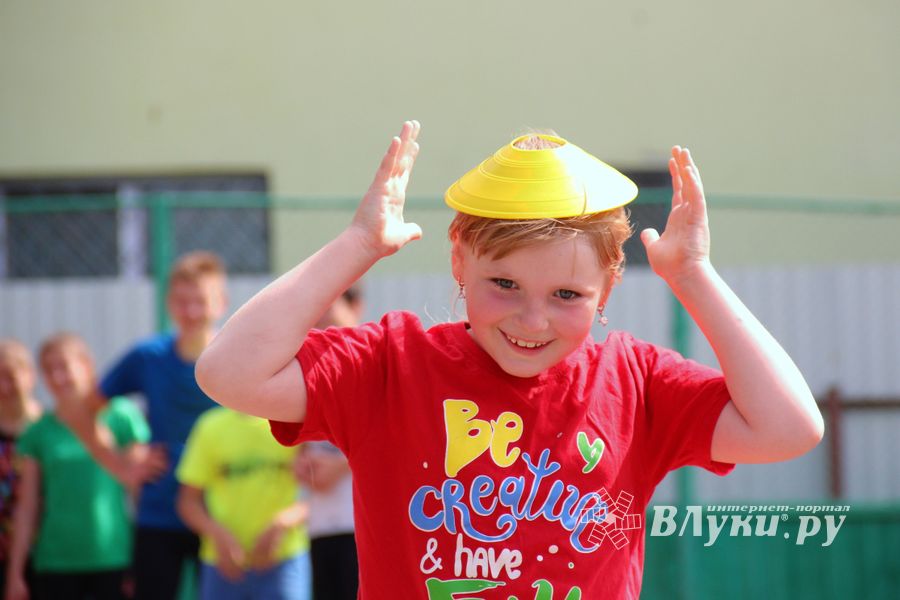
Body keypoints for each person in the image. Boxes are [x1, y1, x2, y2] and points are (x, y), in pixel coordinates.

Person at [195, 121, 824, 598]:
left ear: (608, 288)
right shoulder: (390, 363)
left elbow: (791, 428)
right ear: (459, 260)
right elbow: (227, 373)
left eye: (567, 295)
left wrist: (694, 276)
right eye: (504, 285)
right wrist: (359, 244)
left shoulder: (636, 382)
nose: (532, 320)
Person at [69, 251, 228, 600]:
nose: (191, 312)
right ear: (170, 303)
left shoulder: (236, 356)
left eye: (200, 301)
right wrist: (121, 467)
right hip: (159, 512)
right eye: (182, 302)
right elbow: (84, 410)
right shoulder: (148, 357)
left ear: (221, 303)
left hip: (224, 516)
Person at [4, 334, 151, 600]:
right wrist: (16, 572)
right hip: (56, 560)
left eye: (64, 366)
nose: (58, 377)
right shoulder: (40, 431)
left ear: (86, 365)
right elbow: (28, 507)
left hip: (112, 556)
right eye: (49, 370)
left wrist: (142, 559)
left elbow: (139, 491)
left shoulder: (120, 416)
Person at [176, 407, 311, 600]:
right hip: (223, 564)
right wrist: (218, 535)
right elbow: (188, 501)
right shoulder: (210, 426)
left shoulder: (292, 421)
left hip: (284, 560)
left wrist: (282, 523)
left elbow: (318, 493)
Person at [293, 288, 361, 600]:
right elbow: (297, 447)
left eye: (327, 306)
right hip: (319, 526)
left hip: (361, 527)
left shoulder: (372, 365)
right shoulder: (308, 372)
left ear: (354, 307)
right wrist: (302, 466)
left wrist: (342, 464)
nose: (320, 318)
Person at [0, 340, 42, 598]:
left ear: (30, 376)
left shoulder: (48, 427)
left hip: (44, 550)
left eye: (10, 376)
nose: (5, 387)